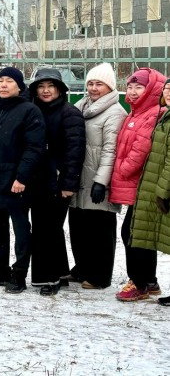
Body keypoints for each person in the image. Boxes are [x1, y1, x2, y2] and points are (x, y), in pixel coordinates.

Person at [0, 67, 45, 294]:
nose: (3, 85)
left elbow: (34, 148)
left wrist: (21, 177)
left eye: (9, 81)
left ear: (19, 87)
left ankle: (19, 273)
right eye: (1, 81)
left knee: (21, 229)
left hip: (16, 182)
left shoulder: (29, 111)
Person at [110, 67, 166, 301]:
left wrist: (122, 170)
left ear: (153, 89)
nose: (132, 92)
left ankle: (140, 283)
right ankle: (150, 281)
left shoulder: (153, 113)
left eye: (139, 87)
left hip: (143, 183)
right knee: (139, 233)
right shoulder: (136, 112)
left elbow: (140, 150)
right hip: (137, 183)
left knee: (132, 233)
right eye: (130, 87)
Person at [28, 68, 85, 296]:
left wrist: (69, 184)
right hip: (38, 179)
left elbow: (75, 151)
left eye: (50, 86)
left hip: (59, 180)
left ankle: (48, 278)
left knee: (47, 229)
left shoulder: (69, 113)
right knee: (47, 228)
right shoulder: (34, 111)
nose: (45, 90)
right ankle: (60, 273)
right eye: (41, 86)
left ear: (60, 89)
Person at [71, 63, 126, 290]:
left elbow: (110, 150)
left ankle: (100, 276)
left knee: (100, 231)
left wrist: (101, 181)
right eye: (91, 83)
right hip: (79, 176)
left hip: (97, 180)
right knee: (78, 226)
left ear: (110, 86)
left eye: (99, 84)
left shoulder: (115, 112)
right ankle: (82, 268)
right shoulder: (81, 106)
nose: (94, 88)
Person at [130, 78, 170, 305]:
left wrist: (163, 191)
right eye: (167, 89)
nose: (169, 93)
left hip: (160, 188)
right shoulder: (165, 116)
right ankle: (147, 282)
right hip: (151, 184)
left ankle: (144, 282)